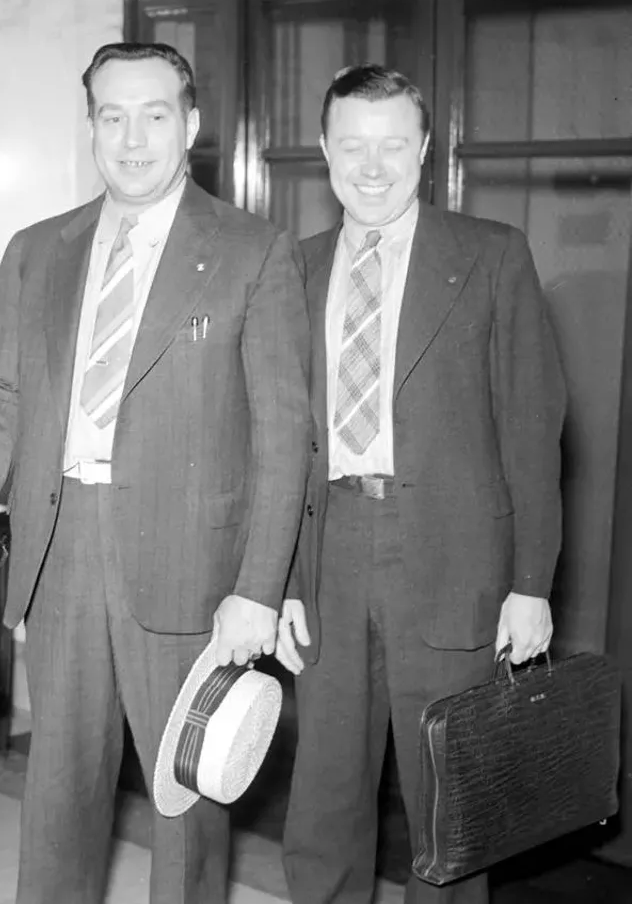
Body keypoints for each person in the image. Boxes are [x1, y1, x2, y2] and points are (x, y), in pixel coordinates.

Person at [0, 41, 312, 904]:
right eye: (111, 116)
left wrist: (259, 589)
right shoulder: (36, 249)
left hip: (194, 559)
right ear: (90, 128)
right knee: (59, 792)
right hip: (62, 546)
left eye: (155, 114)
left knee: (186, 792)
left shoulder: (252, 250)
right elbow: (3, 395)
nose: (133, 136)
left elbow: (283, 433)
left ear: (190, 123)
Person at [277, 64, 565, 904]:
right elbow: (280, 442)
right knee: (322, 801)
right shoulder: (291, 269)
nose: (373, 166)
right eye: (353, 146)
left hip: (452, 562)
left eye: (393, 144)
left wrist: (530, 585)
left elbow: (532, 432)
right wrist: (280, 582)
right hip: (327, 554)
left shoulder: (490, 254)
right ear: (325, 151)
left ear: (426, 148)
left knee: (447, 805)